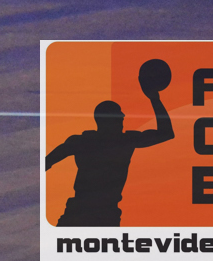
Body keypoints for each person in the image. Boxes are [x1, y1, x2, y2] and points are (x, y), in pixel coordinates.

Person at [46, 75, 174, 226]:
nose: (123, 116)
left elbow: (47, 161)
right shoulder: (123, 141)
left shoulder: (82, 141)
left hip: (88, 213)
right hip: (95, 214)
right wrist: (154, 99)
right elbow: (166, 133)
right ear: (108, 119)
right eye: (118, 114)